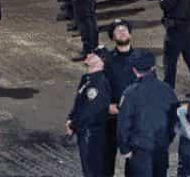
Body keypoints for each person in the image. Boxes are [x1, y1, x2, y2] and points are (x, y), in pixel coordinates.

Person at [117, 50, 176, 177]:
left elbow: (123, 125)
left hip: (139, 153)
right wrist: (166, 140)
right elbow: (174, 121)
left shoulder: (130, 93)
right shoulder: (167, 90)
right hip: (160, 150)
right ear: (153, 67)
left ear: (134, 70)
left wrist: (124, 149)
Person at [102, 20, 138, 177]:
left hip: (134, 120)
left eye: (124, 30)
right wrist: (107, 106)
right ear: (113, 37)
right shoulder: (107, 61)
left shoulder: (141, 59)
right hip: (112, 118)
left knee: (135, 163)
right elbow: (100, 89)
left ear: (130, 34)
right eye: (118, 31)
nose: (122, 32)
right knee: (106, 160)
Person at [68, 51, 112, 177]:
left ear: (101, 62)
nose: (89, 55)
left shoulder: (99, 83)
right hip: (84, 131)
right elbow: (79, 103)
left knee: (91, 170)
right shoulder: (87, 79)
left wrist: (73, 124)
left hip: (91, 135)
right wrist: (70, 118)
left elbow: (91, 112)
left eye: (94, 54)